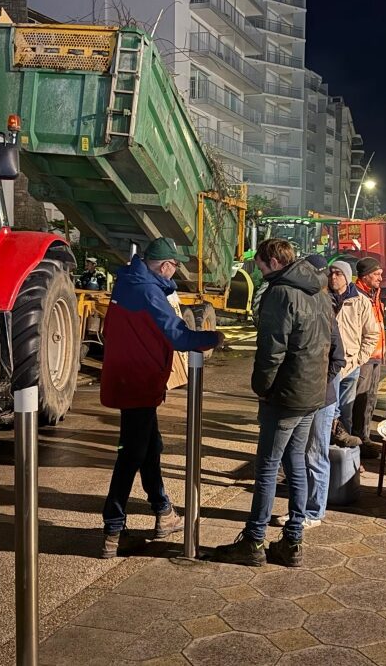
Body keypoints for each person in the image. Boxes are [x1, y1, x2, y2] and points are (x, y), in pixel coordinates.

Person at [99, 238, 223, 559]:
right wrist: (214, 337)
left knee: (149, 446)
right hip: (139, 380)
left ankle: (163, 511)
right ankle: (113, 529)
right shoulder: (149, 291)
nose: (175, 272)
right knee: (131, 454)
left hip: (128, 376)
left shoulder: (127, 281)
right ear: (165, 265)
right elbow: (178, 336)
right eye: (174, 266)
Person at [210, 238, 331, 567]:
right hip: (311, 396)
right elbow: (334, 348)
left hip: (285, 395)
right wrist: (320, 383)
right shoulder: (319, 292)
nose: (260, 270)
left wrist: (261, 388)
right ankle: (293, 542)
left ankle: (253, 541)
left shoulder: (280, 293)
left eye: (262, 264)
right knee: (296, 465)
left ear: (274, 262)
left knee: (267, 467)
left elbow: (271, 351)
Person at [273, 254, 345, 530]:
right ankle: (299, 512)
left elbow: (338, 359)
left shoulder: (325, 310)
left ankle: (313, 512)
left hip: (322, 396)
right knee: (300, 455)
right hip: (307, 393)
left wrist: (319, 381)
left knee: (315, 453)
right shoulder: (310, 305)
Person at [329, 260, 378, 443]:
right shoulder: (324, 298)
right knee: (329, 412)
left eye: (338, 273)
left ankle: (345, 454)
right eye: (331, 273)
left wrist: (360, 358)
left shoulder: (360, 301)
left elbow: (372, 333)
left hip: (351, 365)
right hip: (330, 365)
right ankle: (327, 450)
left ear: (347, 277)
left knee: (346, 413)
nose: (333, 277)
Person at [350, 257, 386, 456]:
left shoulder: (374, 293)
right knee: (358, 399)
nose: (381, 278)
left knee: (370, 398)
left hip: (376, 355)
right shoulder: (357, 295)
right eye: (377, 274)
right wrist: (361, 355)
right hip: (365, 356)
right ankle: (357, 438)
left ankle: (365, 436)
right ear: (365, 276)